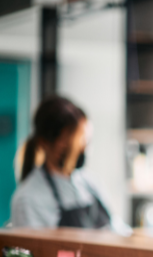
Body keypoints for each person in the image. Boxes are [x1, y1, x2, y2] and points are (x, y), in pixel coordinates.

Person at [10, 96, 129, 234]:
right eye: (74, 143)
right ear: (45, 143)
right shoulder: (28, 200)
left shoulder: (90, 183)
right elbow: (34, 253)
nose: (83, 149)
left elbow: (118, 229)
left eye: (86, 141)